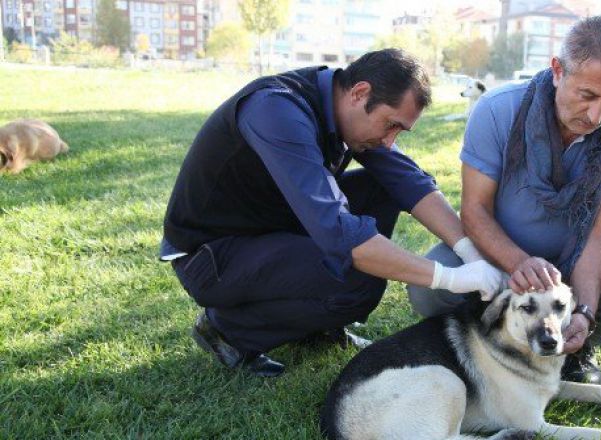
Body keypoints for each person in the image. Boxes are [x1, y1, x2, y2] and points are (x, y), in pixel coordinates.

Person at [161, 49, 504, 377]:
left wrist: (469, 251)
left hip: (268, 227)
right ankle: (227, 329)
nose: (390, 141)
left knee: (383, 186)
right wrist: (451, 278)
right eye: (390, 124)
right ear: (360, 93)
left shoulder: (343, 109)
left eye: (399, 131)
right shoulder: (276, 111)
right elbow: (341, 236)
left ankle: (317, 324)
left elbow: (409, 182)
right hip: (211, 255)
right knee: (358, 278)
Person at [407, 15, 601, 384]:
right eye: (587, 95)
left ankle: (576, 348)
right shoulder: (497, 110)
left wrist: (584, 313)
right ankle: (486, 343)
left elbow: (599, 235)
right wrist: (519, 263)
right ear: (558, 71)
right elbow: (475, 211)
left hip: (573, 263)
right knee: (426, 290)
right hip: (496, 253)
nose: (597, 115)